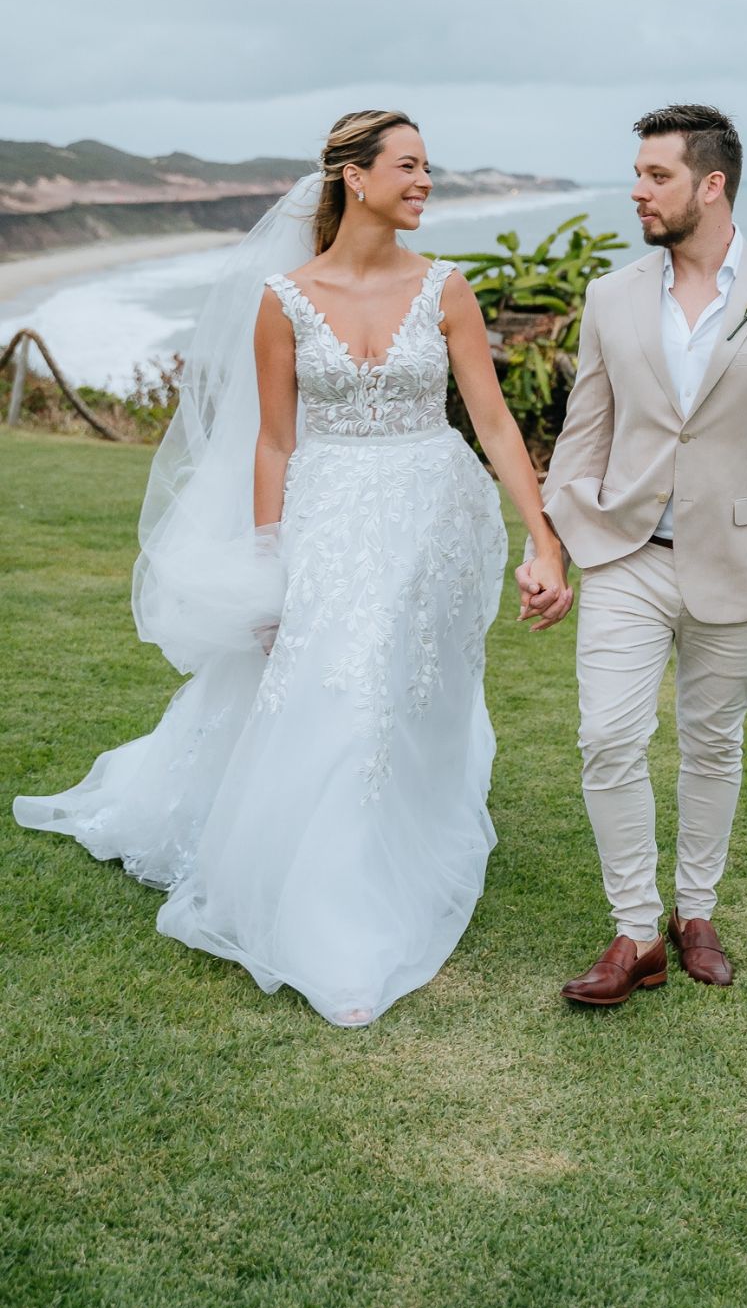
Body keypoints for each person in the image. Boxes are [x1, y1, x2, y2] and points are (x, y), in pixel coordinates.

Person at [13, 109, 570, 1027]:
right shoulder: (286, 296)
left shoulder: (447, 290)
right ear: (355, 176)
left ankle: (389, 844)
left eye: (429, 167)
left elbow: (496, 424)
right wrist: (268, 565)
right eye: (410, 166)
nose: (427, 181)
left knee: (400, 689)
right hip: (329, 514)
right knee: (335, 692)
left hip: (429, 512)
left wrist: (541, 538)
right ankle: (327, 906)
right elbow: (273, 445)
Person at [517, 104, 747, 1006]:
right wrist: (547, 547)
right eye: (636, 174)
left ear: (711, 185)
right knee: (607, 736)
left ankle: (696, 912)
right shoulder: (610, 298)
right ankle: (634, 930)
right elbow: (582, 435)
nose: (637, 190)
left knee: (712, 744)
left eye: (656, 176)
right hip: (627, 552)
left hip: (742, 559)